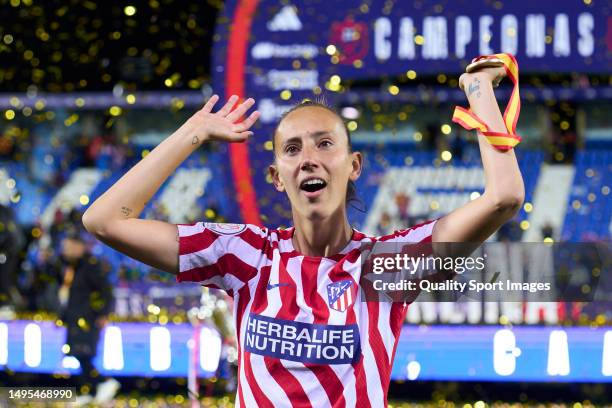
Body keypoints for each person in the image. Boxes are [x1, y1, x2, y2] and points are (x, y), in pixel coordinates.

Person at [83, 60, 524, 406]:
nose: (309, 158)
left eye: (325, 143)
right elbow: (105, 220)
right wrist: (193, 132)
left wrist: (480, 91)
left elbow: (504, 196)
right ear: (277, 176)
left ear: (353, 166)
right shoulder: (245, 256)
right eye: (293, 149)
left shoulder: (385, 268)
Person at [55, 223, 119, 405]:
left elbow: (105, 291)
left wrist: (103, 313)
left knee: (83, 353)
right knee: (77, 354)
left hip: (88, 318)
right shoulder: (71, 267)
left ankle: (104, 382)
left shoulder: (90, 266)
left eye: (69, 246)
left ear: (79, 246)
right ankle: (88, 391)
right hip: (74, 318)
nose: (65, 249)